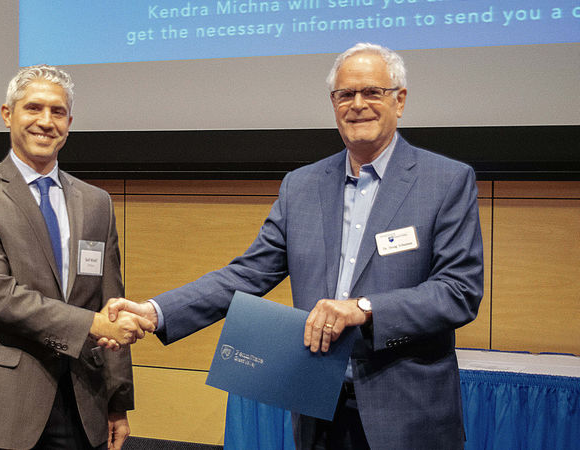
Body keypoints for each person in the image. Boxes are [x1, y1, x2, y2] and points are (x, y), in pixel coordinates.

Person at [106, 43, 483, 449]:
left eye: (372, 92)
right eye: (345, 95)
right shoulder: (302, 186)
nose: (358, 105)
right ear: (333, 104)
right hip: (318, 409)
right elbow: (247, 273)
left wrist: (364, 308)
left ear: (400, 100)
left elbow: (458, 291)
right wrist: (155, 311)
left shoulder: (445, 181)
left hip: (408, 416)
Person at [0, 65, 154, 450]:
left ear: (69, 123)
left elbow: (112, 302)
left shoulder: (96, 202)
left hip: (82, 403)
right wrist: (94, 325)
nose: (45, 121)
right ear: (8, 114)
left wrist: (117, 402)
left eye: (57, 112)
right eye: (33, 108)